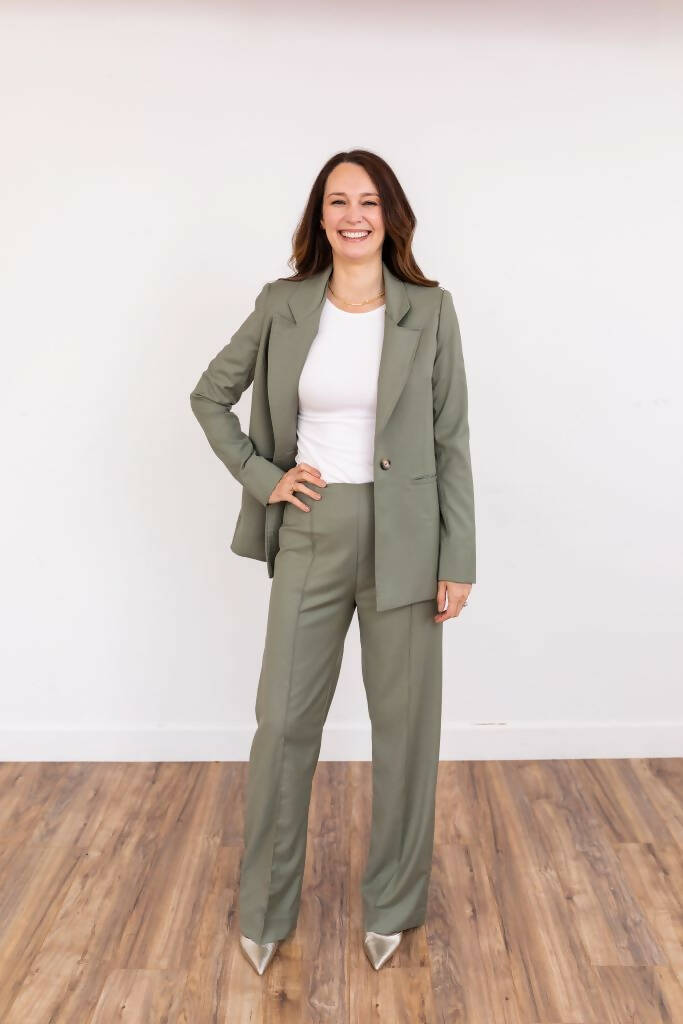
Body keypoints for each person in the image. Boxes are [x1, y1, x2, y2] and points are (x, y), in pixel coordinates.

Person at [189, 149, 476, 975]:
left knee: (405, 730)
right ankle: (265, 910)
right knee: (283, 723)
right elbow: (210, 396)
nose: (354, 215)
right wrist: (265, 477)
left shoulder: (430, 309)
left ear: (391, 215)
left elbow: (450, 440)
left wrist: (457, 557)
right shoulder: (282, 304)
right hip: (312, 530)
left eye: (369, 201)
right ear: (320, 216)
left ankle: (393, 904)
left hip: (408, 540)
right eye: (339, 201)